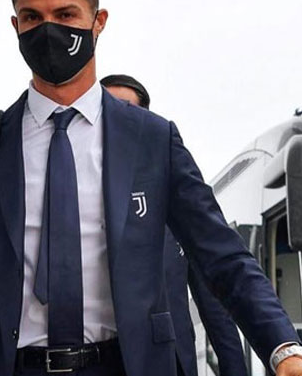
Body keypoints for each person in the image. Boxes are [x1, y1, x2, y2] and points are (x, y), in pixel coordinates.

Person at [0, 0, 302, 376]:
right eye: (33, 17)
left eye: (66, 14)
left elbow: (222, 256)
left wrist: (285, 352)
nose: (49, 30)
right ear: (15, 26)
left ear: (98, 21)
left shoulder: (153, 140)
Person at [102, 74, 248, 376]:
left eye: (126, 108)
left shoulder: (174, 201)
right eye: (108, 108)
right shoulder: (72, 198)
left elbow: (214, 305)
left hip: (172, 363)